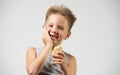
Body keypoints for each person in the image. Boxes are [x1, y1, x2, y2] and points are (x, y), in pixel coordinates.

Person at [26, 5, 77, 75]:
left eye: (60, 28)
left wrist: (64, 68)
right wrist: (48, 45)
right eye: (51, 25)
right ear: (44, 28)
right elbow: (32, 72)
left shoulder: (71, 59)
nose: (54, 30)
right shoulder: (32, 51)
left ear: (67, 35)